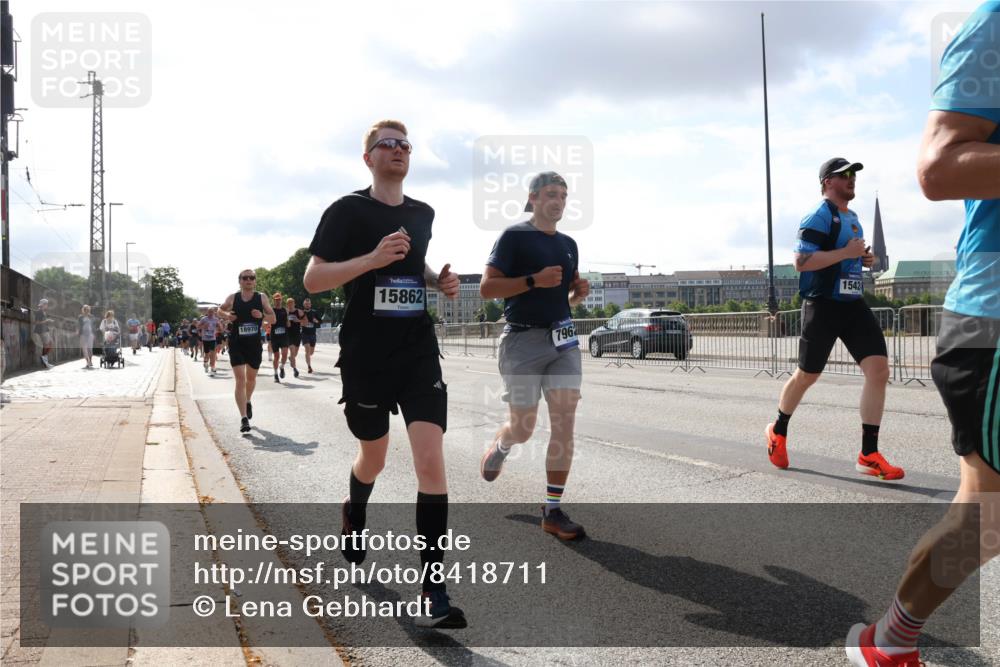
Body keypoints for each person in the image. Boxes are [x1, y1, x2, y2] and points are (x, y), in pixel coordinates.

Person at [846, 4, 1000, 665]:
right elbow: (939, 166)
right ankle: (890, 640)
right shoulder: (995, 22)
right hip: (993, 322)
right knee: (986, 518)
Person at [303, 119, 464, 628]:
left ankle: (433, 589)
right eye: (386, 145)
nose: (397, 150)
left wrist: (436, 280)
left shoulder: (422, 213)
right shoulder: (347, 211)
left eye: (404, 144)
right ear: (368, 158)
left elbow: (409, 266)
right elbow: (313, 280)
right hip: (367, 355)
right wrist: (370, 258)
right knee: (373, 455)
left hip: (417, 350)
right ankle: (355, 507)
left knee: (431, 461)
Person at [764, 157, 903, 480]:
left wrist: (865, 258)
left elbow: (852, 257)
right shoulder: (819, 215)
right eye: (845, 175)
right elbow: (801, 261)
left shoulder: (852, 218)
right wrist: (845, 254)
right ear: (828, 181)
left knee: (879, 370)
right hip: (823, 305)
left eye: (854, 175)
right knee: (807, 375)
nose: (852, 179)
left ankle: (868, 454)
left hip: (853, 304)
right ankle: (778, 430)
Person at [478, 171, 590, 541]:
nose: (558, 201)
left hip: (563, 342)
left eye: (563, 195)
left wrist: (578, 296)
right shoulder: (514, 237)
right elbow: (487, 288)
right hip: (522, 342)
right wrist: (532, 280)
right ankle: (503, 444)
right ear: (534, 198)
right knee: (524, 428)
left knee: (564, 422)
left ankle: (552, 510)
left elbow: (564, 298)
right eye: (551, 194)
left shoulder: (569, 244)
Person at [219, 270, 276, 433]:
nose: (249, 280)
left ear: (255, 281)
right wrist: (227, 315)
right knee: (240, 379)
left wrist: (262, 315)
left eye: (252, 278)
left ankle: (248, 400)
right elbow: (219, 310)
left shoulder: (261, 297)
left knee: (250, 379)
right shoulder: (233, 297)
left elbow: (273, 319)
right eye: (245, 278)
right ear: (240, 281)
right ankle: (244, 418)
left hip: (254, 344)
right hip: (236, 342)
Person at [270, 292, 290, 383]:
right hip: (274, 336)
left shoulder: (285, 310)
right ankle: (275, 374)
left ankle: (281, 367)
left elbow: (287, 322)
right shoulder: (271, 310)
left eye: (279, 299)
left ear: (281, 300)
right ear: (274, 300)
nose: (278, 301)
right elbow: (268, 320)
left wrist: (288, 322)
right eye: (276, 300)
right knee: (276, 356)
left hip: (284, 335)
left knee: (285, 354)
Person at [32, 298, 56, 369]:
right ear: (43, 305)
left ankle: (45, 361)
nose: (47, 306)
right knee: (47, 344)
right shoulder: (39, 312)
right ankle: (45, 362)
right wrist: (47, 320)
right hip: (42, 330)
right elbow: (36, 322)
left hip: (45, 330)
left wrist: (48, 321)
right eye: (46, 304)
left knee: (49, 344)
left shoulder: (43, 312)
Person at [301, 297, 321, 373]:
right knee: (307, 350)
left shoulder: (314, 312)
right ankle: (309, 367)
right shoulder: (301, 312)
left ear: (310, 304)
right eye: (306, 304)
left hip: (312, 334)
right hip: (304, 334)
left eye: (308, 303)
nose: (307, 305)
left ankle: (308, 359)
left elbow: (320, 321)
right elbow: (298, 321)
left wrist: (316, 321)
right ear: (303, 304)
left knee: (311, 352)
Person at [198, 307, 221, 375]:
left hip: (212, 338)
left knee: (213, 353)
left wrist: (219, 327)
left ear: (214, 312)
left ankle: (212, 367)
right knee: (207, 353)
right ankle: (205, 362)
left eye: (212, 312)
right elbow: (198, 327)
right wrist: (204, 326)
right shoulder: (203, 319)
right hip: (205, 338)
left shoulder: (216, 319)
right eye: (209, 312)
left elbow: (220, 328)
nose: (211, 313)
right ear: (207, 312)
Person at [285, 296, 304, 378]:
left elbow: (305, 322)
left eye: (291, 303)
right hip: (288, 335)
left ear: (294, 304)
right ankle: (295, 369)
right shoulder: (285, 312)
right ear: (287, 304)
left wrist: (298, 320)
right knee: (292, 353)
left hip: (297, 334)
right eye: (289, 303)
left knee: (295, 354)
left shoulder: (299, 312)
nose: (290, 305)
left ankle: (291, 358)